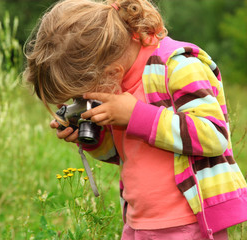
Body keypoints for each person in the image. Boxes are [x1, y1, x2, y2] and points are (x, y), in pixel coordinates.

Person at [23, 0, 247, 239]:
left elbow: (214, 136)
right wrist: (92, 140)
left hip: (190, 225)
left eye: (82, 95)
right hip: (138, 224)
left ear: (111, 72)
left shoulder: (178, 66)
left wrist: (135, 115)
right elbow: (127, 154)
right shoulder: (116, 84)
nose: (82, 100)